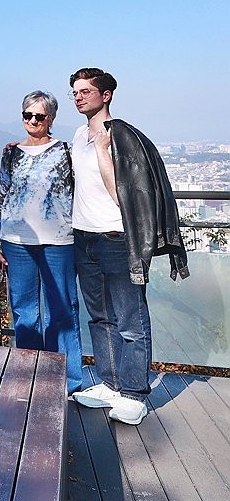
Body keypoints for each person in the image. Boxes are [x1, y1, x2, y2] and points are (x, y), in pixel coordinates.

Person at [68, 68, 187, 426]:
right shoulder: (76, 134)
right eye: (75, 91)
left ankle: (135, 393)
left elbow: (122, 196)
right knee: (100, 317)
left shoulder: (120, 135)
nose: (79, 96)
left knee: (130, 319)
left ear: (106, 96)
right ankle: (111, 383)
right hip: (84, 235)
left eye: (86, 91)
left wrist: (104, 151)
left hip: (117, 239)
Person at [0, 91, 83, 394]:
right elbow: (3, 196)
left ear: (50, 119)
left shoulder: (66, 152)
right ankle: (29, 374)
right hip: (16, 240)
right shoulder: (11, 153)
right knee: (24, 311)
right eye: (27, 115)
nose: (32, 121)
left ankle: (68, 381)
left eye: (38, 116)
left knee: (62, 311)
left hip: (58, 240)